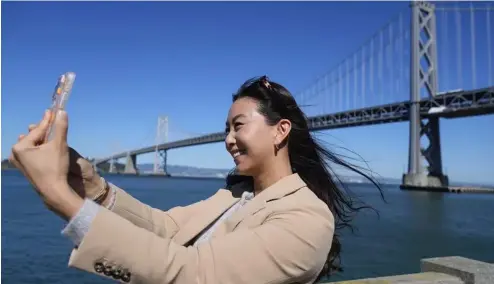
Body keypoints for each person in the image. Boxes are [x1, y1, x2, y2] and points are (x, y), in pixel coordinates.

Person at [10, 76, 383, 284]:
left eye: (239, 126)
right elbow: (167, 229)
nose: (227, 140)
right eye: (226, 129)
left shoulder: (306, 219)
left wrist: (60, 197)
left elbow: (195, 274)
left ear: (280, 131)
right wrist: (87, 183)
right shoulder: (237, 195)